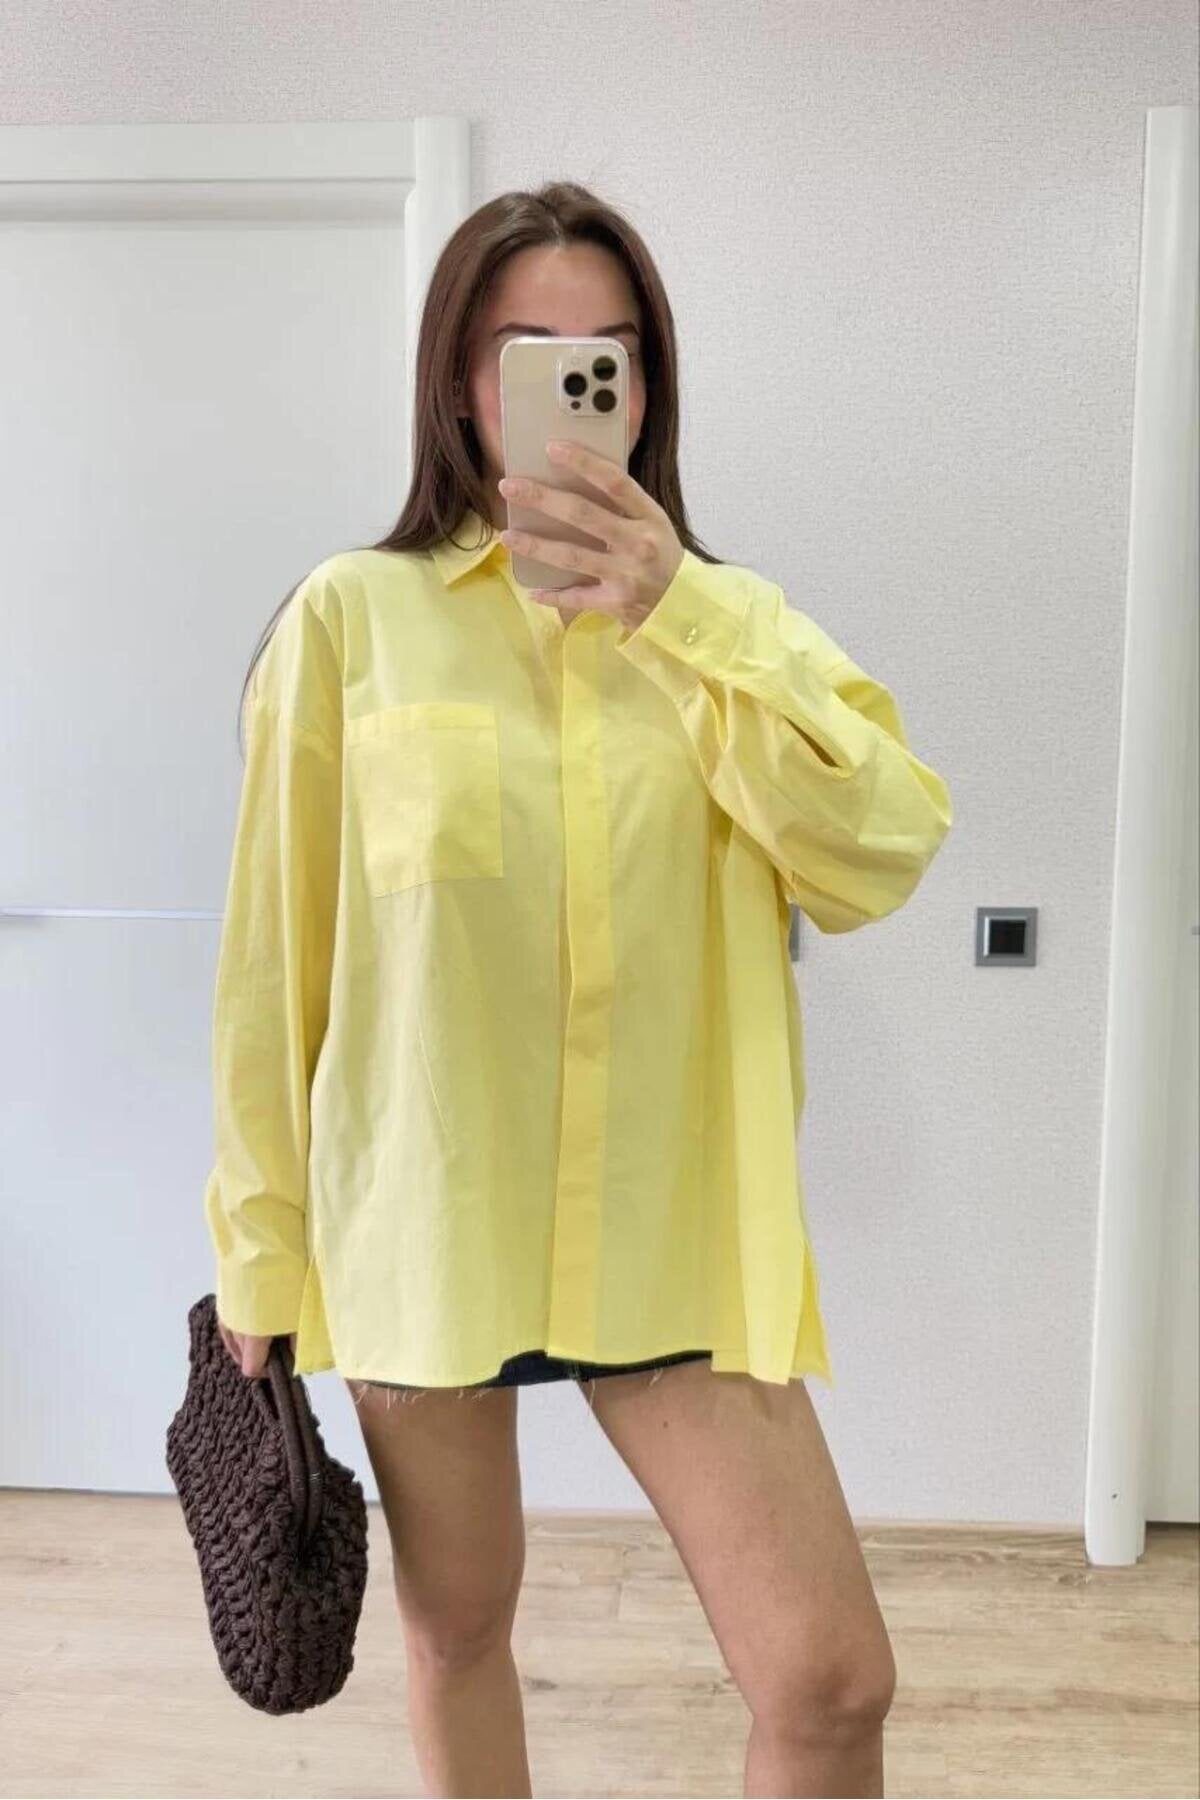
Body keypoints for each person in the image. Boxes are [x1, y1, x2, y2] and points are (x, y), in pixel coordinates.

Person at [206, 181, 953, 1798]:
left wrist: (688, 614)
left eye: (607, 354)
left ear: (648, 385)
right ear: (458, 382)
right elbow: (274, 966)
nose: (571, 386)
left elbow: (884, 849)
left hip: (670, 1229)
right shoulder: (351, 623)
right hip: (431, 1227)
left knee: (830, 1682)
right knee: (459, 1633)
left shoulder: (727, 631)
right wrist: (259, 1249)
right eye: (526, 351)